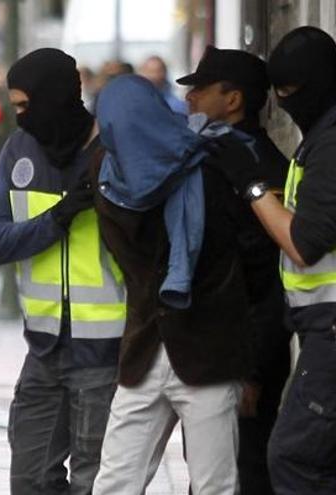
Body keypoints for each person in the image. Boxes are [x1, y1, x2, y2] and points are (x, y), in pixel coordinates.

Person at [90, 75, 255, 494]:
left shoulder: (210, 166)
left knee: (214, 485)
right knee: (115, 481)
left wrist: (251, 365)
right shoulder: (107, 174)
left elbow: (249, 262)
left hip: (208, 353)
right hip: (145, 349)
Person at [0, 48, 125, 495]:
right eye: (15, 107)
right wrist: (57, 219)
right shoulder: (18, 150)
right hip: (43, 351)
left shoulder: (115, 148)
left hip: (104, 354)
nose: (21, 117)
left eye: (26, 105)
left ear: (55, 97)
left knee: (93, 483)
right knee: (30, 479)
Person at [210, 26, 336, 493]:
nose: (283, 102)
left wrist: (253, 185)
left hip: (330, 331)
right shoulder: (319, 135)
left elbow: (304, 243)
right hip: (316, 327)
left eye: (290, 92)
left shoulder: (330, 142)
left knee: (294, 458)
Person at [177, 45, 291, 495]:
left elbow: (263, 274)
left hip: (243, 351)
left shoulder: (252, 165)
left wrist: (253, 370)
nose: (190, 99)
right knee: (210, 466)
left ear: (233, 99)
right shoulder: (215, 155)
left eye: (201, 90)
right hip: (214, 347)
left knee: (243, 466)